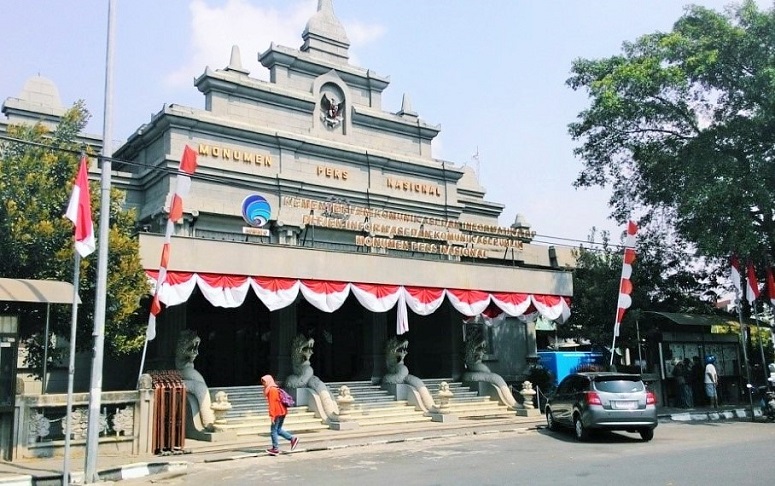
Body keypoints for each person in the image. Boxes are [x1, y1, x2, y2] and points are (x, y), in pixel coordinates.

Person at [261, 374, 299, 455]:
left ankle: (275, 448)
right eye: (262, 382)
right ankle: (292, 439)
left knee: (273, 431)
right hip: (282, 411)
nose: (263, 384)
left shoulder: (271, 390)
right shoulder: (274, 388)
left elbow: (272, 404)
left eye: (264, 382)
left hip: (277, 412)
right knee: (278, 429)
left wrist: (272, 416)